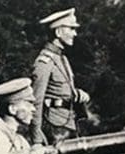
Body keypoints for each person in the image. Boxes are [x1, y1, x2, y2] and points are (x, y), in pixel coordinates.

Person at [31, 8, 90, 145]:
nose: (75, 34)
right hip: (54, 128)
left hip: (67, 124)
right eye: (71, 29)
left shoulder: (62, 59)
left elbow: (60, 89)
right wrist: (37, 141)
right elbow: (36, 101)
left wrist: (76, 94)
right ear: (58, 32)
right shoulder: (44, 61)